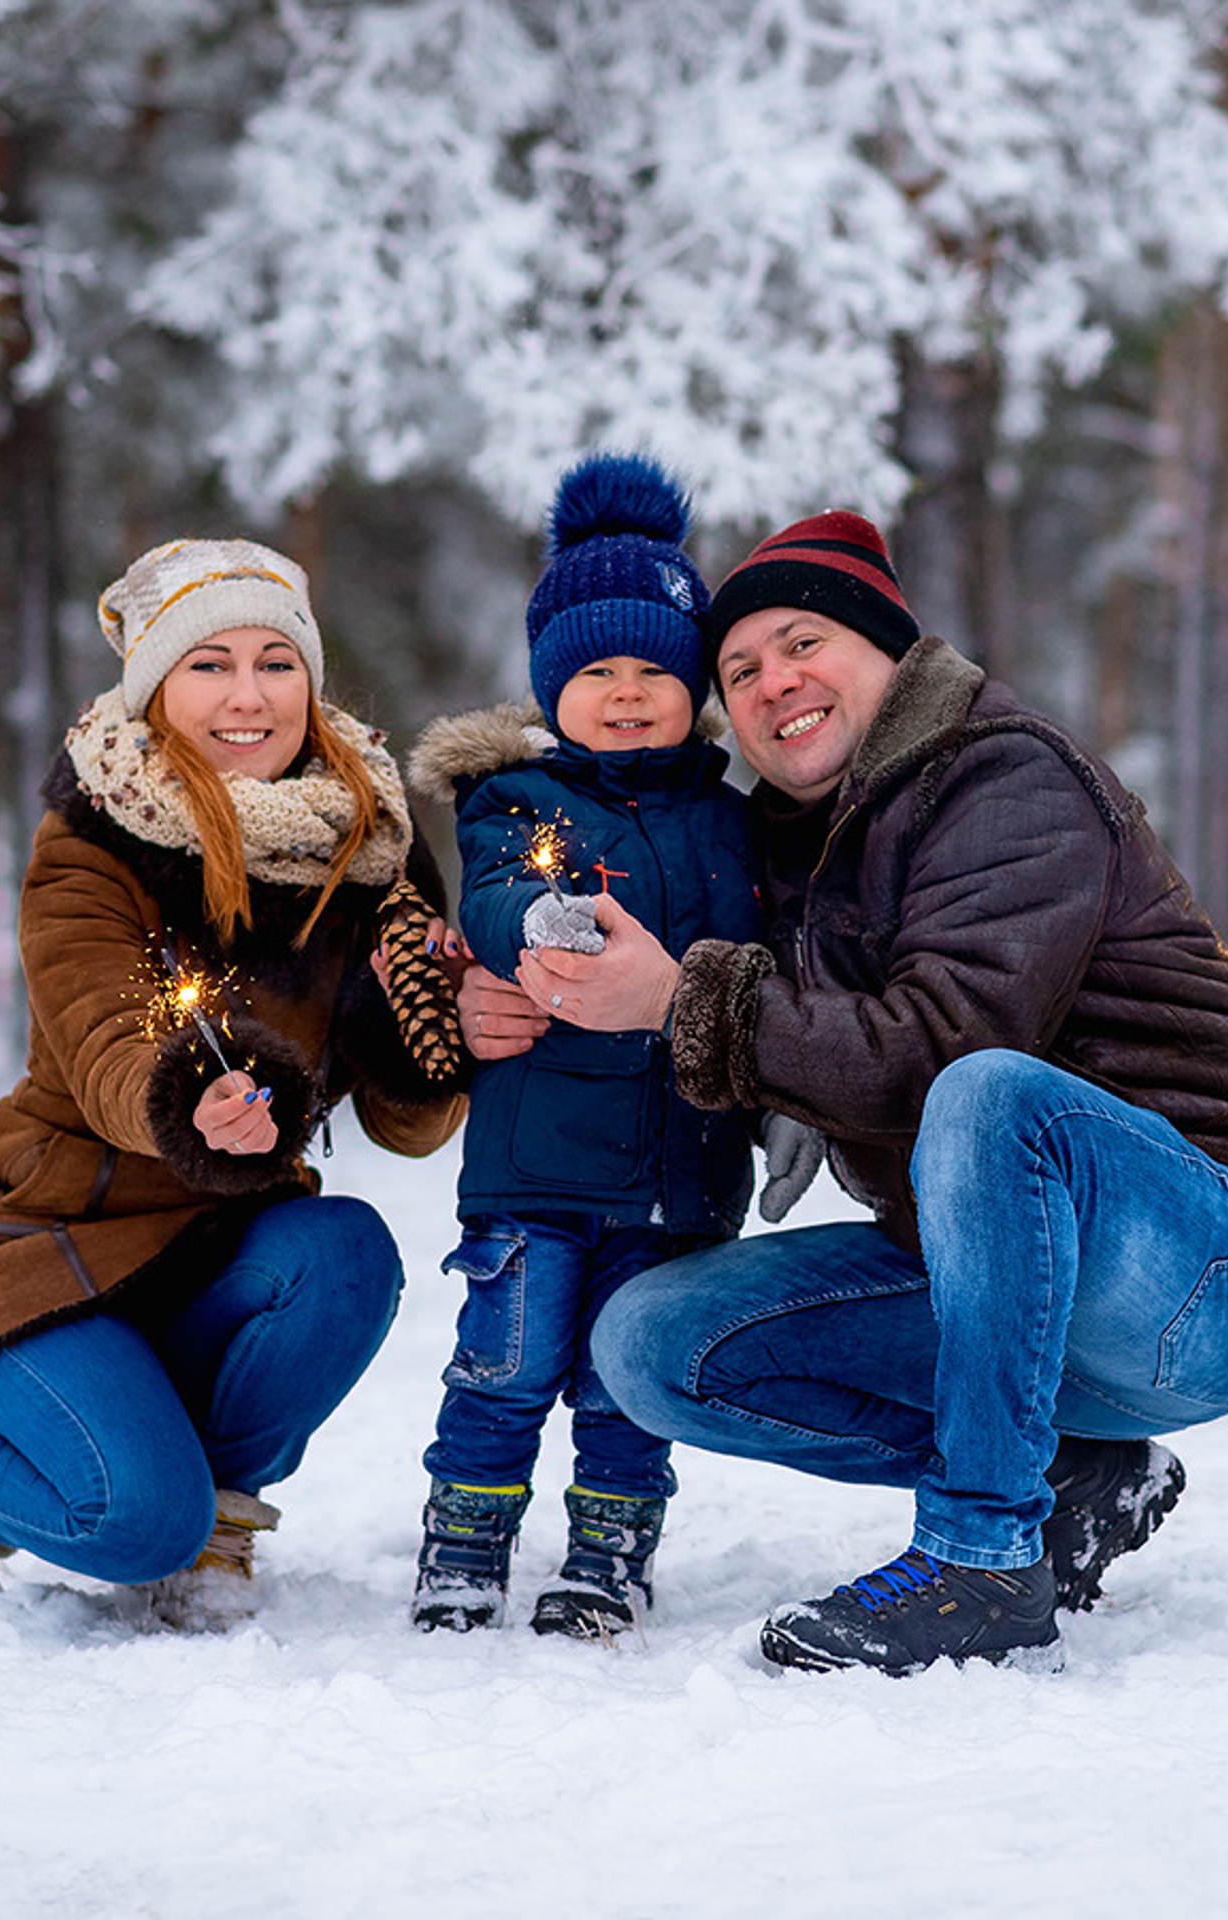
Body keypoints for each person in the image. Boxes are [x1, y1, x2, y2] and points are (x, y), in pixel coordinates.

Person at [468, 509, 1228, 1676]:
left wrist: (693, 1003)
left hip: (1222, 1258)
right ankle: (1074, 1472)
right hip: (1019, 1291)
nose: (774, 682)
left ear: (889, 650)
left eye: (802, 643)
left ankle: (981, 1555)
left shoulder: (1001, 771)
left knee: (986, 1093)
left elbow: (939, 1049)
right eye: (740, 671)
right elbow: (650, 944)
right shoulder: (795, 842)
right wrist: (479, 980)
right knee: (651, 1342)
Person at [0, 537, 467, 1628]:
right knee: (134, 1523)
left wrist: (430, 1039)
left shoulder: (367, 846)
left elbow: (405, 1124)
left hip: (216, 1249)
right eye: (209, 664)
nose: (248, 695)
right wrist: (185, 1100)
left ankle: (217, 1510)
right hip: (40, 1248)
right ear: (156, 687)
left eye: (276, 663)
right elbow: (100, 1042)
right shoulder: (92, 841)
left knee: (347, 1254)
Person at [397, 452, 762, 1642]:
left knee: (622, 1392)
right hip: (537, 1177)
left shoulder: (732, 818)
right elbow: (495, 902)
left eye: (654, 668)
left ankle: (609, 1555)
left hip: (678, 1175)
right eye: (596, 669)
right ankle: (465, 1544)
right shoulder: (517, 805)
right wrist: (537, 925)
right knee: (503, 1371)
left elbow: (769, 956)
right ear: (552, 684)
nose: (625, 691)